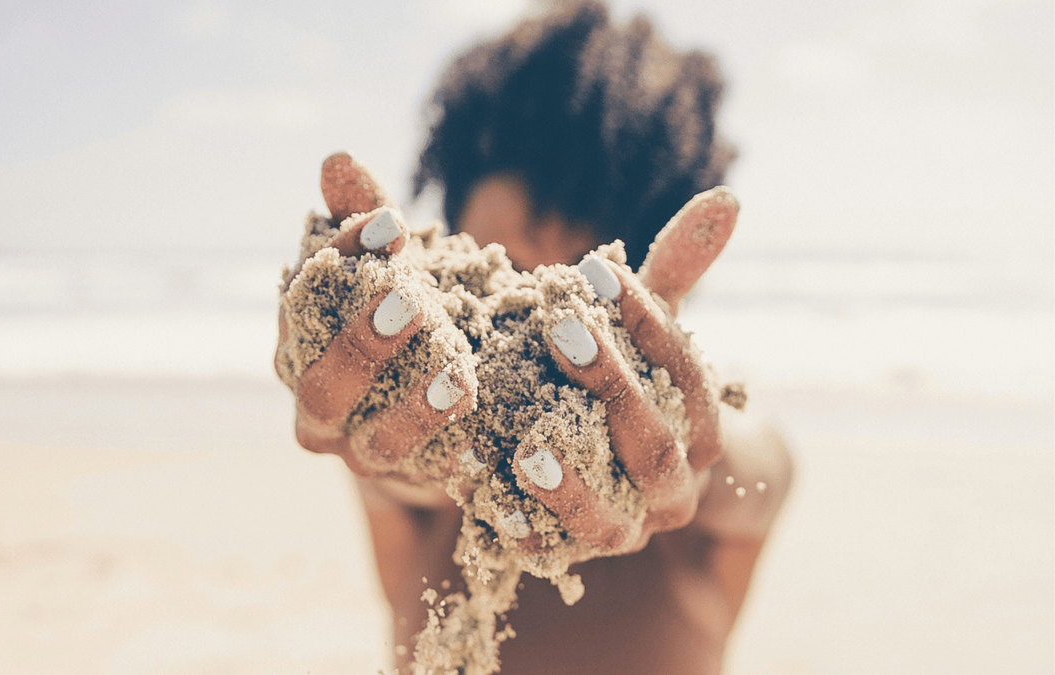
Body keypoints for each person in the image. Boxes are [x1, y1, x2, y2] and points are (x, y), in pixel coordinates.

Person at [277, 3, 793, 674]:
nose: (526, 332)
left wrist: (689, 452)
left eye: (576, 300)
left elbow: (758, 473)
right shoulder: (428, 494)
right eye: (507, 282)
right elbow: (396, 484)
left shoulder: (702, 507)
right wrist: (410, 443)